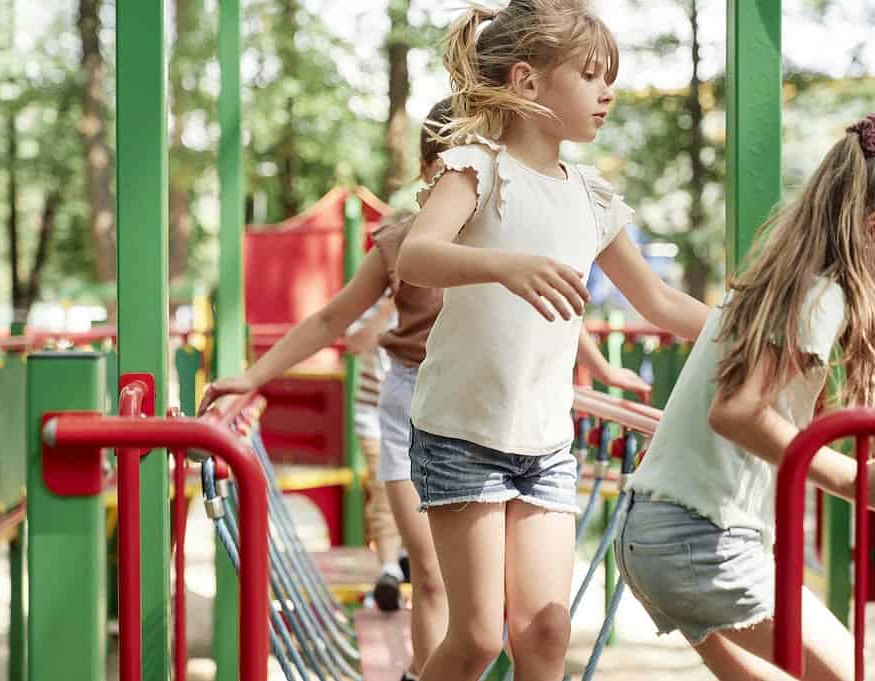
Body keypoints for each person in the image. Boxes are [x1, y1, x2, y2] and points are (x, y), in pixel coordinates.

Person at [200, 95, 649, 681]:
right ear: (430, 170)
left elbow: (554, 309)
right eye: (449, 164)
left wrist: (602, 369)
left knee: (533, 623)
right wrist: (253, 377)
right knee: (437, 580)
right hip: (420, 403)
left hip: (506, 410)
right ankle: (420, 668)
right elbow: (331, 320)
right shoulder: (408, 242)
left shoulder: (519, 216)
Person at [395, 3, 707, 680]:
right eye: (592, 75)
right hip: (460, 434)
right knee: (478, 637)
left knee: (544, 629)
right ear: (528, 83)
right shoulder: (477, 167)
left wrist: (746, 324)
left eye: (610, 77)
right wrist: (505, 265)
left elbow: (655, 300)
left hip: (544, 445)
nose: (609, 91)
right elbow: (415, 256)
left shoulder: (592, 197)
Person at [617, 113, 875, 681]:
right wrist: (857, 481)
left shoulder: (784, 283)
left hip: (655, 533)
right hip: (701, 539)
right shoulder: (822, 295)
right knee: (855, 674)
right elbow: (737, 410)